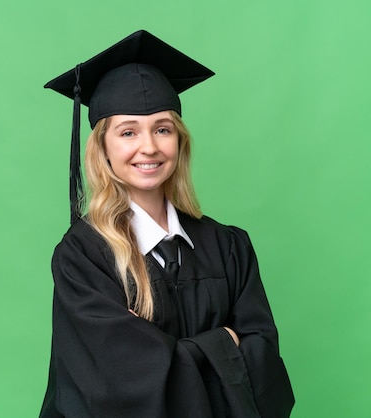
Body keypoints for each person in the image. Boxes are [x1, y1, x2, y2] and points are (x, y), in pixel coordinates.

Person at [39, 30, 294, 418]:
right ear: (103, 147)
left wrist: (171, 355)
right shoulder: (84, 256)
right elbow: (111, 383)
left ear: (180, 141)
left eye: (163, 129)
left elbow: (264, 364)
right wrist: (223, 346)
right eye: (128, 132)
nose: (150, 147)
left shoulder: (227, 246)